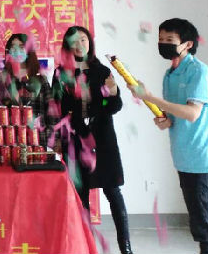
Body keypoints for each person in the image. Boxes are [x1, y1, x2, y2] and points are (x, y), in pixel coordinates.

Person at [130, 18, 208, 254]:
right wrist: (164, 119)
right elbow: (174, 116)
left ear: (187, 44)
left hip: (203, 156)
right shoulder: (170, 74)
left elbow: (192, 113)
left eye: (169, 39)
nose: (163, 43)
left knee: (204, 223)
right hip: (183, 155)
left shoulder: (200, 72)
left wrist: (150, 97)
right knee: (199, 220)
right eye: (160, 39)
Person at [52, 26, 132, 254]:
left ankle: (126, 247)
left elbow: (114, 106)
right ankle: (86, 247)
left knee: (113, 191)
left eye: (83, 40)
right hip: (75, 140)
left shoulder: (102, 70)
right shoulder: (60, 74)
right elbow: (57, 109)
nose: (80, 45)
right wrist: (58, 138)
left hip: (103, 139)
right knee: (81, 196)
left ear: (90, 42)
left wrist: (113, 92)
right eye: (74, 41)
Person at [0, 33, 53, 146]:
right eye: (13, 47)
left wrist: (51, 138)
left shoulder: (40, 79)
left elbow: (51, 111)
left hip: (37, 142)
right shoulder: (1, 80)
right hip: (9, 143)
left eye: (21, 47)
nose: (17, 51)